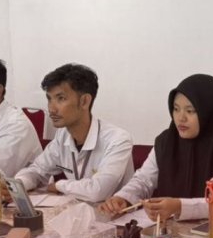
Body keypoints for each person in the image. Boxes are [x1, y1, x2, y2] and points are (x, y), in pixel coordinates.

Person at [99, 74, 213, 221]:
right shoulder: (166, 141)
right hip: (170, 230)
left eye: (190, 111)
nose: (180, 117)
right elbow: (144, 180)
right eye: (176, 109)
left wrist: (180, 207)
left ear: (210, 113)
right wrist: (123, 198)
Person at [14, 64, 133, 202]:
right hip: (78, 210)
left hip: (113, 213)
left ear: (84, 101)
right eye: (49, 99)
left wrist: (59, 185)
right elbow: (37, 170)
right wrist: (18, 184)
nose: (51, 109)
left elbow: (98, 191)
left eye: (61, 98)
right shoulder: (62, 135)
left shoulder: (118, 139)